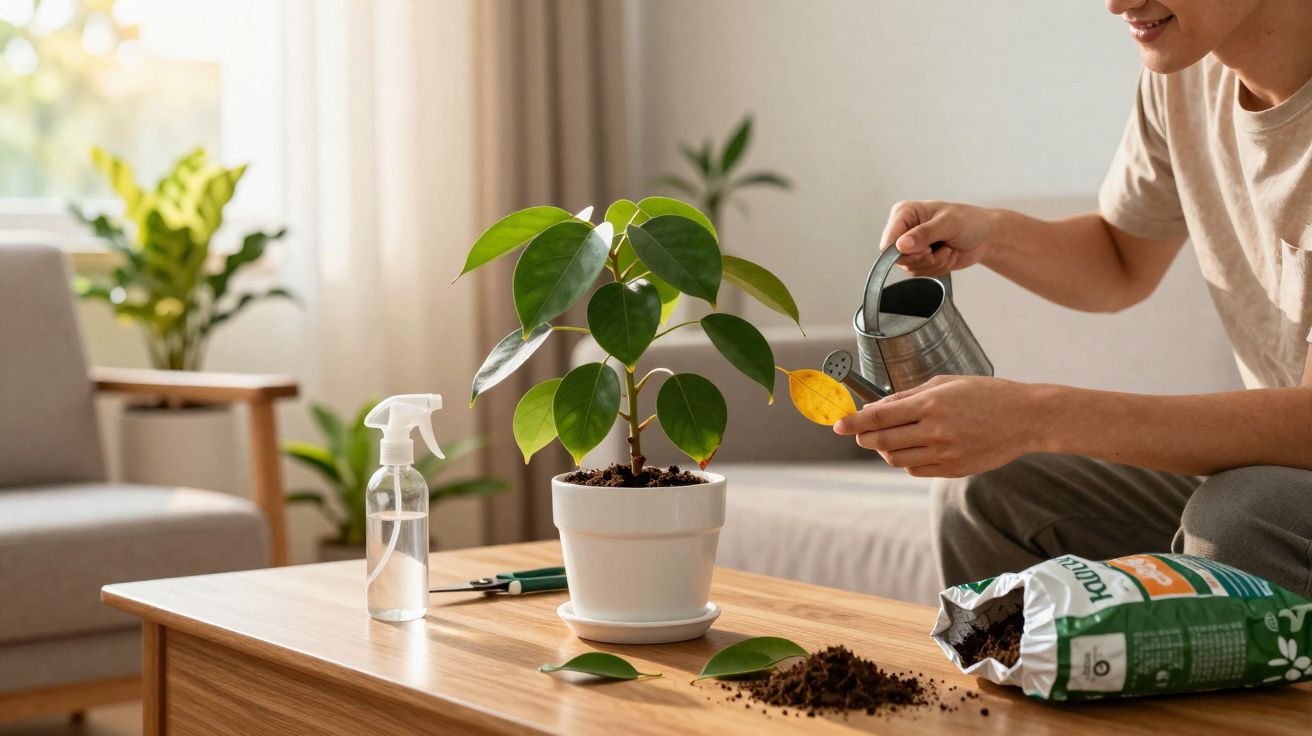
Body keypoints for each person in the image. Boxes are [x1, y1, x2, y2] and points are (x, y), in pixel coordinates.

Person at [833, 0, 1312, 595]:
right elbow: (1119, 262)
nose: (1116, 3)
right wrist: (991, 233)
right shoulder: (1188, 73)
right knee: (990, 493)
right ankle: (1013, 659)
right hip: (1274, 478)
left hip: (1277, 495)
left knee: (1240, 518)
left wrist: (1034, 416)